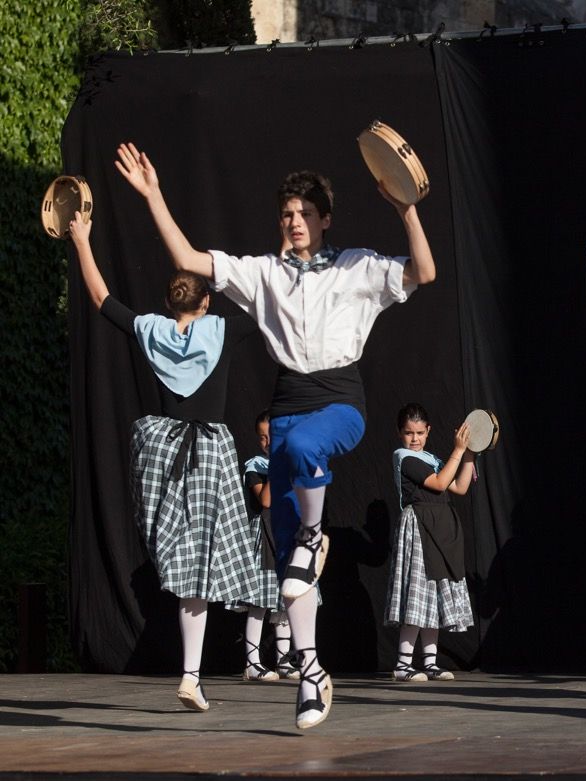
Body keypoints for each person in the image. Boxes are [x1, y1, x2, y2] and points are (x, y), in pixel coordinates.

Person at [116, 141, 436, 729]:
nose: (294, 222)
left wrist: (406, 209)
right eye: (287, 213)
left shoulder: (357, 265)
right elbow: (187, 255)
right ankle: (311, 673)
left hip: (340, 399)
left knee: (302, 457)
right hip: (288, 402)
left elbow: (424, 271)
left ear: (325, 219)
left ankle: (315, 534)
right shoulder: (261, 272)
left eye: (304, 213)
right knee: (290, 581)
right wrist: (153, 195)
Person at [67, 211, 268, 711]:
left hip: (160, 450)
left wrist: (82, 241)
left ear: (166, 302)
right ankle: (192, 673)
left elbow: (100, 299)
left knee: (181, 562)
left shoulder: (151, 329)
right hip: (207, 454)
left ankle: (192, 675)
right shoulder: (220, 328)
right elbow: (268, 306)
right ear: (205, 301)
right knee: (200, 570)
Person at [385, 403, 477, 682]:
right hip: (419, 527)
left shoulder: (433, 458)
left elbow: (459, 486)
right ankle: (403, 664)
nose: (415, 439)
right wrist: (458, 451)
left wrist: (470, 452)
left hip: (440, 530)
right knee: (417, 594)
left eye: (420, 433)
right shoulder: (404, 457)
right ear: (400, 433)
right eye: (409, 433)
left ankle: (430, 662)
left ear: (428, 431)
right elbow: (438, 484)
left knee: (433, 595)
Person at [236, 410, 300, 681]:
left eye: (272, 436)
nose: (267, 442)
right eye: (262, 437)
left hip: (287, 535)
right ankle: (252, 663)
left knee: (286, 600)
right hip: (264, 538)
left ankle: (284, 660)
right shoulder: (255, 465)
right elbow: (265, 501)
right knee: (260, 602)